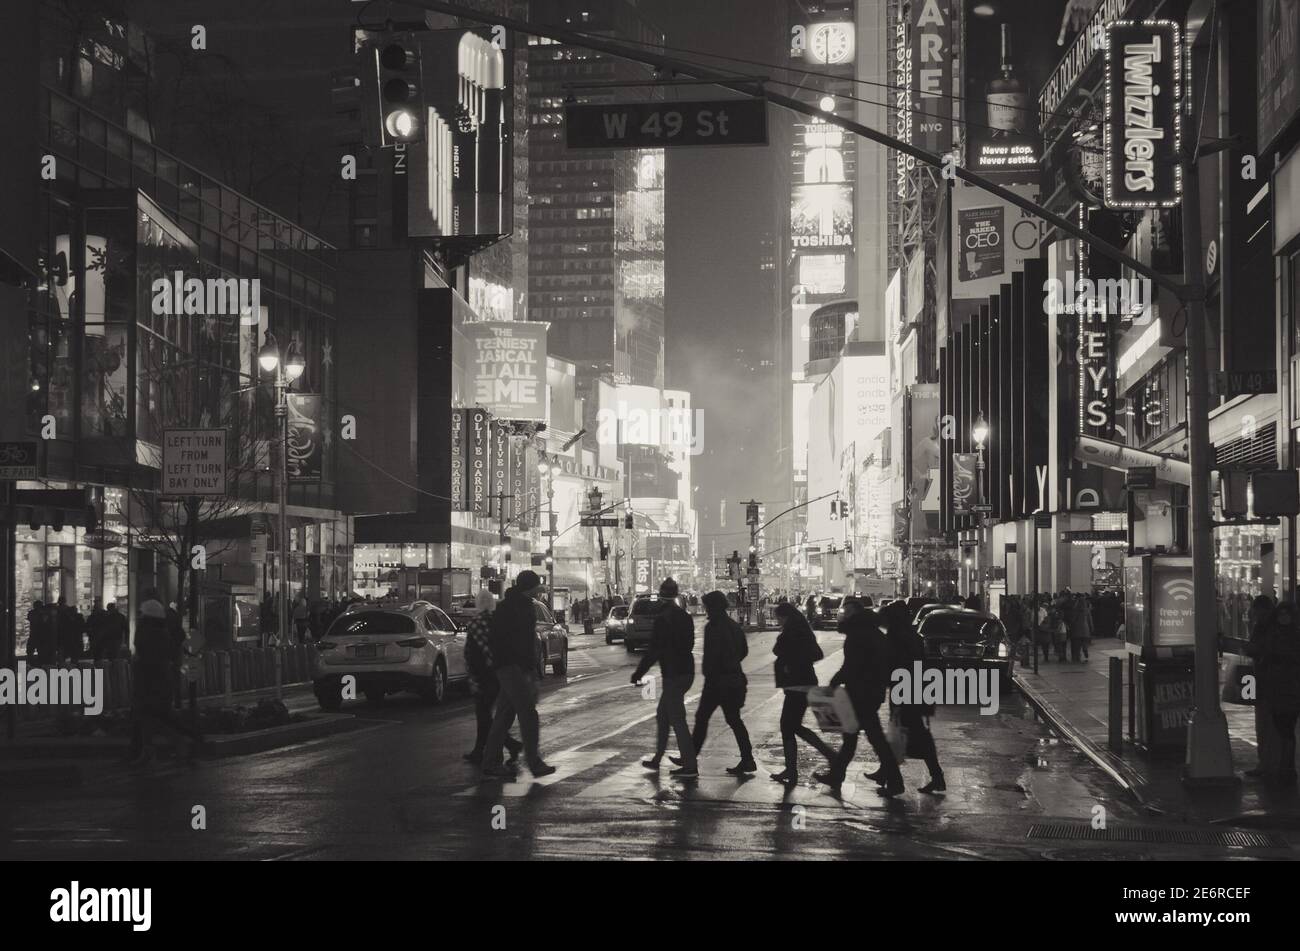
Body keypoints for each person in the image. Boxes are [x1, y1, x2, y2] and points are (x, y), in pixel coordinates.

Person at [812, 599, 905, 796]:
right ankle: (836, 775)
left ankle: (895, 782)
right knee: (852, 737)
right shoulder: (874, 633)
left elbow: (852, 665)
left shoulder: (859, 635)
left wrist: (835, 682)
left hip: (861, 693)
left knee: (871, 739)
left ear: (855, 614)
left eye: (847, 611)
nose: (844, 614)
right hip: (870, 692)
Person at [480, 571, 556, 779]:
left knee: (505, 715)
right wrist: (528, 670)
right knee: (528, 714)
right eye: (536, 588)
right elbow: (519, 641)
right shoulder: (519, 608)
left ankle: (491, 762)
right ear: (529, 588)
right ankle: (534, 762)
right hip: (513, 666)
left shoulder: (509, 606)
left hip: (508, 665)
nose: (539, 592)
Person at [672, 590, 754, 775]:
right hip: (733, 679)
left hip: (717, 682)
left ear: (713, 607)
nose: (706, 609)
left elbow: (712, 655)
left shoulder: (714, 627)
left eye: (707, 606)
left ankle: (690, 759)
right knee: (733, 720)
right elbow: (744, 651)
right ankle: (747, 759)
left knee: (702, 719)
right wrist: (733, 662)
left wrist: (711, 671)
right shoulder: (733, 626)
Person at [632, 578, 698, 777]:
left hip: (673, 673)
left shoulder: (663, 619)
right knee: (663, 715)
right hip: (686, 671)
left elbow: (654, 650)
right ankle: (658, 758)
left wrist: (639, 673)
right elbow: (690, 644)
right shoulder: (685, 617)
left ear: (661, 596)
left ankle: (690, 766)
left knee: (677, 720)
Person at [128, 591, 199, 766]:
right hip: (160, 679)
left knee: (155, 718)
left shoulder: (149, 633)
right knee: (153, 718)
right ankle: (155, 749)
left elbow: (146, 657)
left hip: (151, 682)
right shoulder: (162, 631)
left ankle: (178, 744)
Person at [770, 602, 836, 784]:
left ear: (786, 617)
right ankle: (795, 768)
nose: (778, 620)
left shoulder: (792, 632)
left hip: (797, 685)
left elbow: (779, 650)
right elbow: (815, 653)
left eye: (779, 617)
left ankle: (797, 768)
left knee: (788, 727)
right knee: (793, 727)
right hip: (802, 683)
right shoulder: (802, 630)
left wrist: (792, 662)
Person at [883, 598, 944, 792]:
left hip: (904, 690)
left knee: (906, 734)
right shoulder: (913, 635)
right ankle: (889, 774)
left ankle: (892, 778)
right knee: (912, 733)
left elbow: (894, 664)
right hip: (916, 689)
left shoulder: (896, 636)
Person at [461, 598, 523, 767]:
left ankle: (506, 746)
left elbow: (477, 649)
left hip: (482, 675)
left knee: (484, 715)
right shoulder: (496, 621)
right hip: (496, 673)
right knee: (487, 715)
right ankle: (483, 750)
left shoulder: (476, 622)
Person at [1245, 600, 1300, 787]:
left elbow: (1264, 652)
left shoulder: (1274, 634)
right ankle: (1286, 768)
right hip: (1283, 688)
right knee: (1285, 731)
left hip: (1282, 687)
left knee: (1283, 730)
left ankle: (1284, 768)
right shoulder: (1288, 633)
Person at [1068, 592, 1093, 662]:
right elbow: (1090, 620)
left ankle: (1077, 657)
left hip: (1077, 630)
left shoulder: (1075, 610)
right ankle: (1085, 649)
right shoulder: (1087, 611)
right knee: (1084, 642)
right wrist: (1091, 628)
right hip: (1085, 629)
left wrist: (1070, 625)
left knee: (1077, 645)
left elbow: (1073, 620)